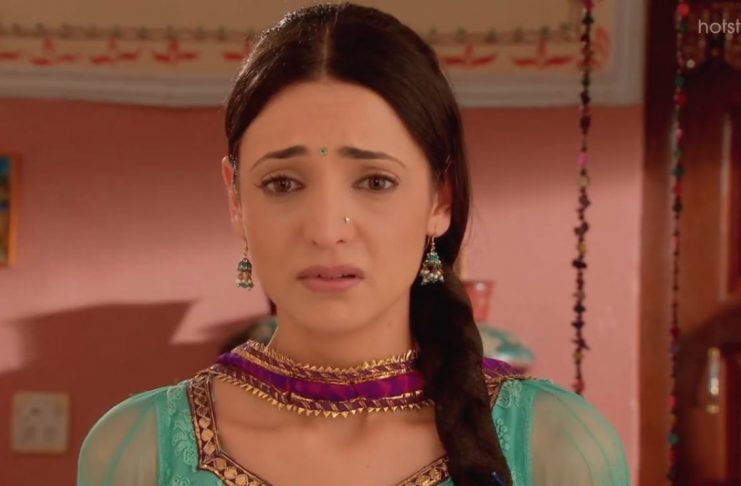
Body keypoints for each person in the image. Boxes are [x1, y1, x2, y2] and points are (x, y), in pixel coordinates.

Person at [77, 3, 630, 485]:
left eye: (375, 182)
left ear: (441, 199)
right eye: (283, 184)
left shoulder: (555, 446)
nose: (326, 229)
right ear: (236, 200)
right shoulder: (139, 450)